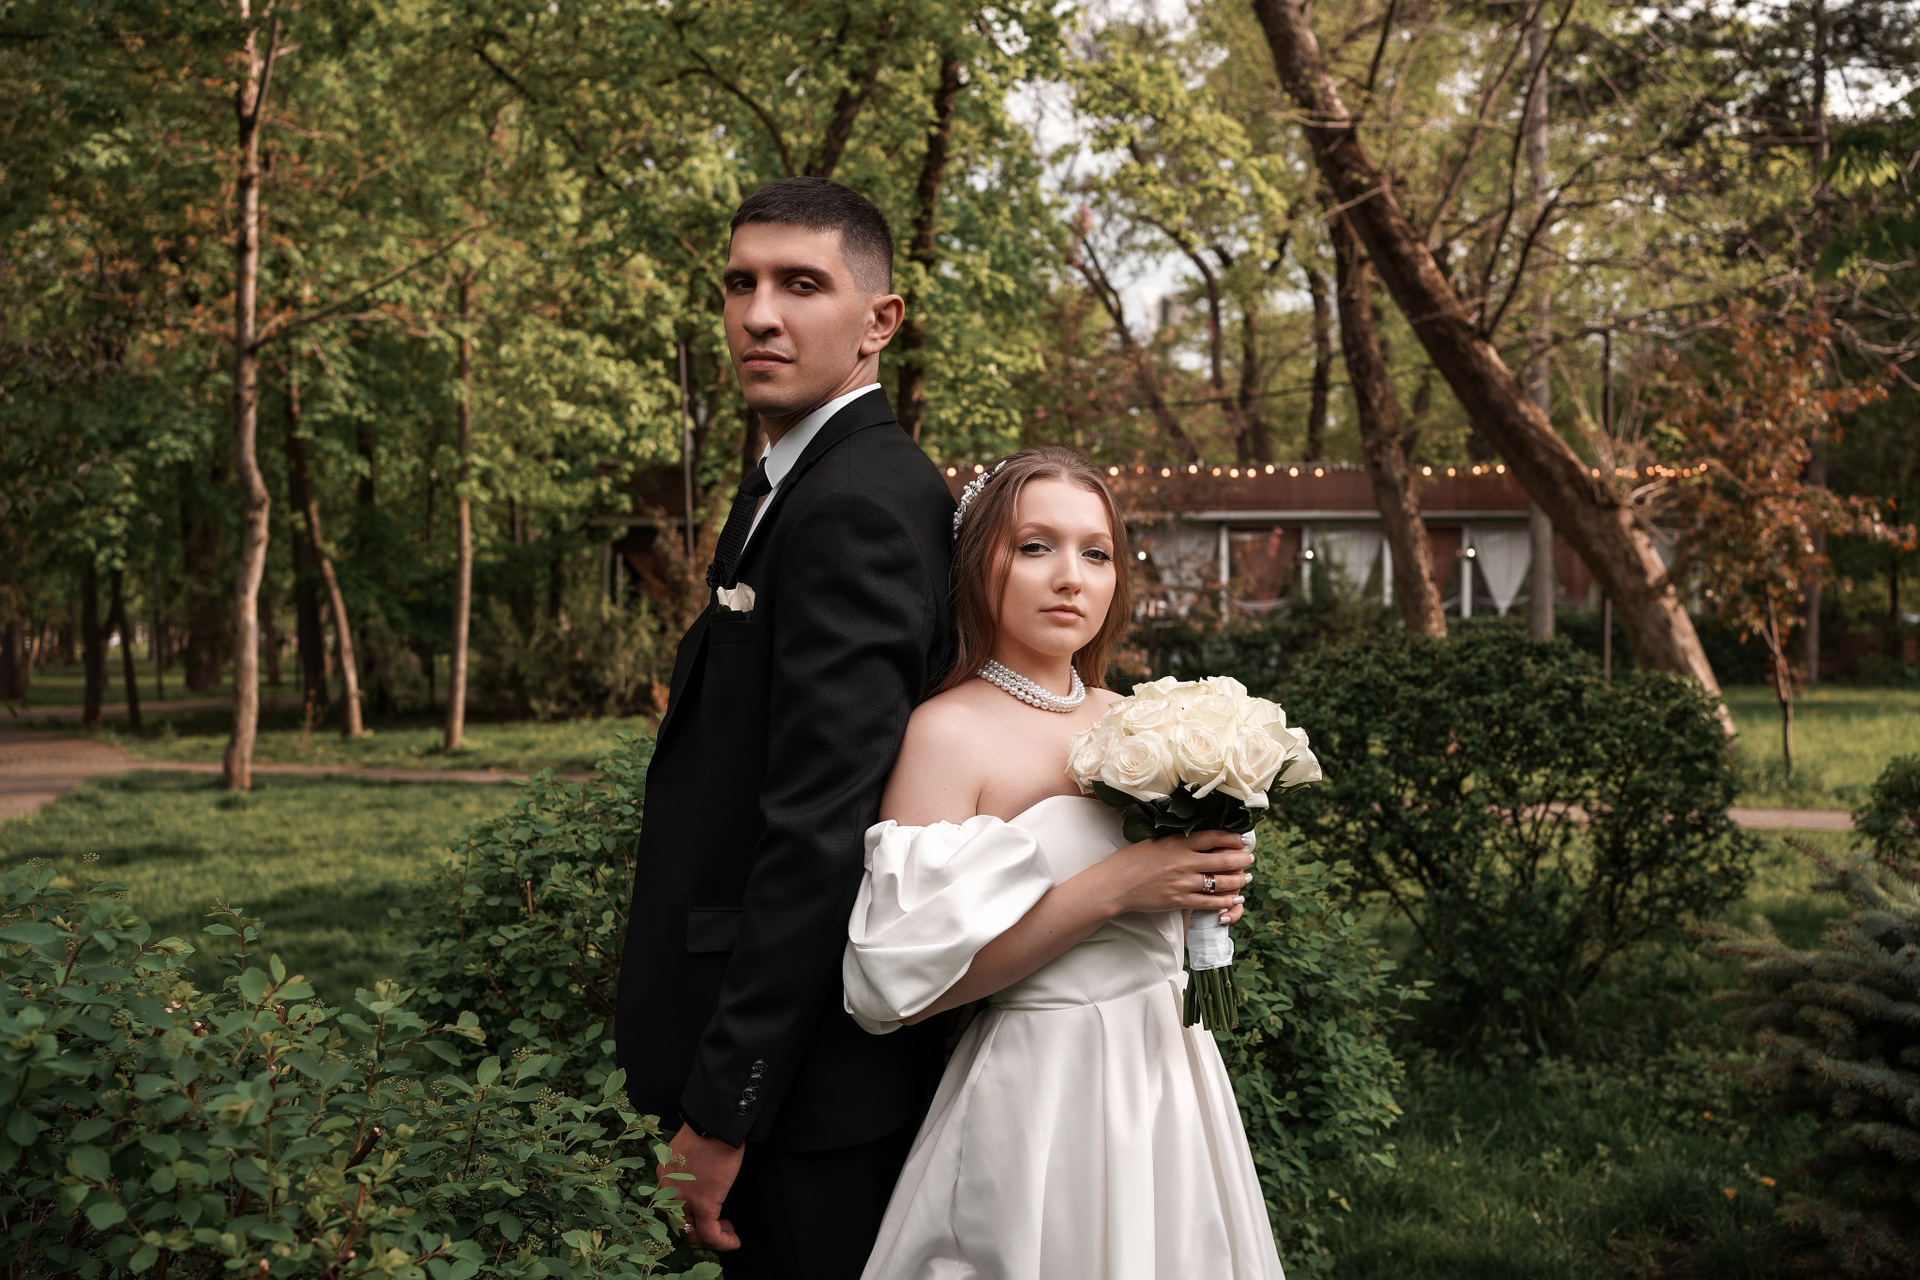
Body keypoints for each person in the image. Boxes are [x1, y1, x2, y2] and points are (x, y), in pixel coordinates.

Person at [615, 177, 955, 1280]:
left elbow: (820, 828)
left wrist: (726, 1107)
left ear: (878, 320)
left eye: (801, 284)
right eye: (740, 283)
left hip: (804, 1101)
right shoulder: (796, 478)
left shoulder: (856, 504)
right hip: (783, 1082)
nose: (759, 314)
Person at [844, 447, 1285, 1279]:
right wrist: (1114, 888)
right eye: (1035, 547)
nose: (1070, 578)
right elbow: (898, 993)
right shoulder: (946, 734)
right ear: (980, 563)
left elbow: (1176, 897)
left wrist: (1211, 884)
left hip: (1169, 1073)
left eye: (1096, 553)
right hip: (1040, 1088)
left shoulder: (1147, 721)